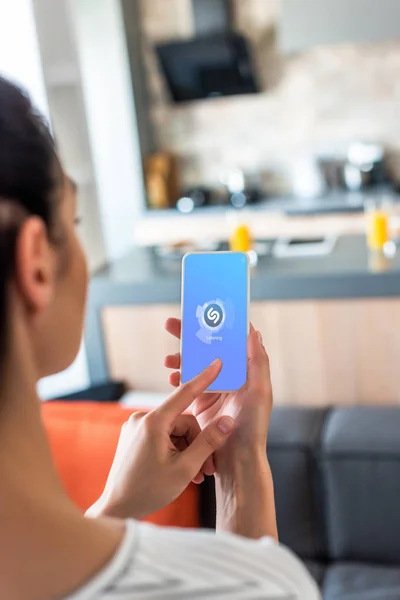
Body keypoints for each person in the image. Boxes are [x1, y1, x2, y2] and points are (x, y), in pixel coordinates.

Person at [0, 75, 320, 600]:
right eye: (74, 221)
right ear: (36, 264)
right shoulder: (256, 586)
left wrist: (111, 508)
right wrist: (241, 464)